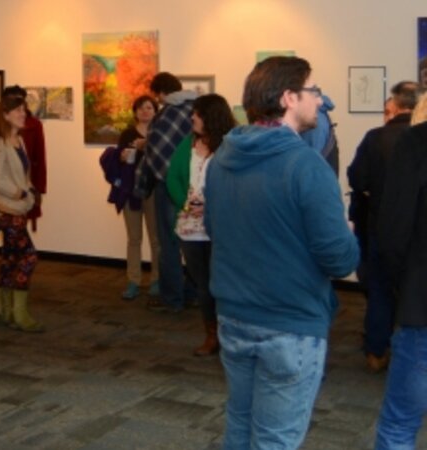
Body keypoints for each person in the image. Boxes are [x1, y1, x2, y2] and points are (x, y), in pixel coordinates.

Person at [205, 56, 359, 448]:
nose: (320, 102)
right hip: (290, 325)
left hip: (234, 317)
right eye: (314, 91)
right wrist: (347, 232)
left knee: (239, 425)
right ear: (289, 98)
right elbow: (340, 260)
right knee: (275, 440)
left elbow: (214, 229)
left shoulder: (222, 158)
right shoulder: (306, 166)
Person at [347, 80, 420, 372]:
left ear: (395, 105)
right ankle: (411, 355)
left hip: (380, 227)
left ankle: (377, 351)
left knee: (379, 290)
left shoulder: (376, 137)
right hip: (418, 234)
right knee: (413, 292)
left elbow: (357, 178)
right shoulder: (420, 139)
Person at [166, 93, 235, 356]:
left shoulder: (231, 146)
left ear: (211, 117)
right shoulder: (187, 144)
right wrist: (185, 203)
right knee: (203, 285)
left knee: (224, 283)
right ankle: (212, 335)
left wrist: (213, 206)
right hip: (190, 228)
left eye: (197, 113)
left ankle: (231, 335)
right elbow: (173, 177)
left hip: (221, 226)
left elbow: (237, 185)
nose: (192, 117)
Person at [375, 120, 427, 449]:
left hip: (422, 302)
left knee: (400, 422)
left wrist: (402, 283)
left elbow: (393, 231)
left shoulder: (417, 142)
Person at [0, 85, 47, 287]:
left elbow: (38, 160)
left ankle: (6, 302)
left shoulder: (31, 128)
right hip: (4, 199)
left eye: (21, 104)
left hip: (20, 198)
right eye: (15, 105)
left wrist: (35, 190)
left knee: (11, 253)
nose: (21, 111)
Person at [135, 72, 197, 312]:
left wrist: (146, 182)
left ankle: (172, 298)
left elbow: (156, 151)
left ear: (161, 93)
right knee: (192, 240)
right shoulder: (196, 109)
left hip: (168, 185)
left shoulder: (166, 115)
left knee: (168, 243)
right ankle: (193, 293)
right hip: (194, 185)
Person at [0, 95, 43, 332]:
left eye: (24, 110)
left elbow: (24, 174)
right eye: (18, 110)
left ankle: (4, 310)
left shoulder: (19, 140)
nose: (23, 114)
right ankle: (19, 313)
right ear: (6, 115)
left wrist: (28, 193)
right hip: (5, 210)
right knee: (29, 257)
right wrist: (19, 193)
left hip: (17, 208)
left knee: (10, 260)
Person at [112, 95, 160, 299]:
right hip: (131, 190)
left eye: (149, 108)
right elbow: (120, 158)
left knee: (157, 239)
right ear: (135, 112)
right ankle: (134, 280)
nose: (145, 112)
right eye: (141, 108)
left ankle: (157, 279)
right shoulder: (127, 134)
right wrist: (122, 156)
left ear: (155, 111)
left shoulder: (159, 134)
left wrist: (146, 146)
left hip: (154, 189)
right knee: (134, 238)